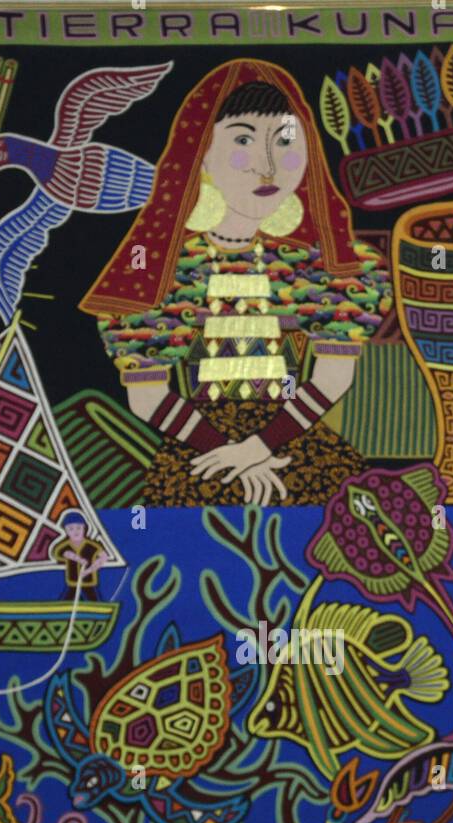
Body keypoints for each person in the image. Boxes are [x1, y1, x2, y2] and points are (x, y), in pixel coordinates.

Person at [79, 59, 392, 507]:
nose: (268, 167)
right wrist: (230, 456)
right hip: (197, 449)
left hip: (297, 442)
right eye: (243, 140)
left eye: (285, 142)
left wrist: (259, 448)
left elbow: (334, 376)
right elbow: (147, 396)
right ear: (201, 155)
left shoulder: (321, 266)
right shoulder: (162, 268)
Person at [49, 510, 107, 601]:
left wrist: (89, 570)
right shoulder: (64, 546)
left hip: (89, 583)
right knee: (65, 603)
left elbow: (103, 556)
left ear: (84, 528)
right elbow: (61, 553)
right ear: (66, 530)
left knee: (95, 602)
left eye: (78, 528)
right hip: (72, 583)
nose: (75, 531)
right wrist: (77, 559)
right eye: (71, 528)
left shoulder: (91, 545)